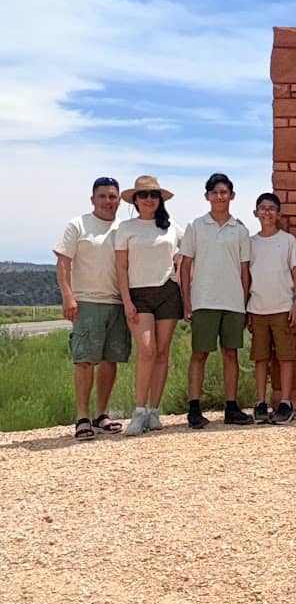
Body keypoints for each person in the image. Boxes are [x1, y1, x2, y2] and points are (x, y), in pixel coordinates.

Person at [54, 176, 131, 440]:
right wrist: (68, 296)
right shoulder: (78, 225)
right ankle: (82, 417)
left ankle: (101, 414)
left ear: (119, 200)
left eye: (112, 196)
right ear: (93, 199)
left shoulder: (125, 227)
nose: (108, 201)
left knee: (110, 360)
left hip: (117, 301)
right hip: (87, 300)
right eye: (103, 196)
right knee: (85, 360)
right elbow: (63, 262)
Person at [179, 173, 252, 428]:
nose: (219, 197)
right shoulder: (196, 226)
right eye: (214, 192)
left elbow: (245, 271)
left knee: (230, 353)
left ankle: (231, 407)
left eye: (224, 192)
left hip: (233, 302)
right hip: (204, 300)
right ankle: (194, 408)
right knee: (199, 354)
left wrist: (245, 304)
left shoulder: (241, 230)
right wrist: (186, 301)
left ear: (232, 195)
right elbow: (185, 265)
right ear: (207, 196)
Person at [114, 176, 184, 436]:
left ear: (160, 199)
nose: (149, 200)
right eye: (143, 196)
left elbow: (188, 254)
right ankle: (139, 410)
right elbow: (121, 267)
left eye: (153, 195)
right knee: (146, 350)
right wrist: (127, 301)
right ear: (135, 200)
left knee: (162, 352)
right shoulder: (126, 228)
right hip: (139, 294)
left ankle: (155, 410)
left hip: (168, 292)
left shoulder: (172, 227)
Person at [248, 192, 296, 424]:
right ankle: (260, 402)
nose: (267, 212)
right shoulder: (250, 243)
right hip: (257, 307)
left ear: (278, 214)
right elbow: (246, 276)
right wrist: (245, 308)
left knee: (285, 356)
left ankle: (286, 402)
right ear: (255, 213)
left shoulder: (287, 240)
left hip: (282, 306)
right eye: (263, 208)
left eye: (271, 208)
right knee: (261, 358)